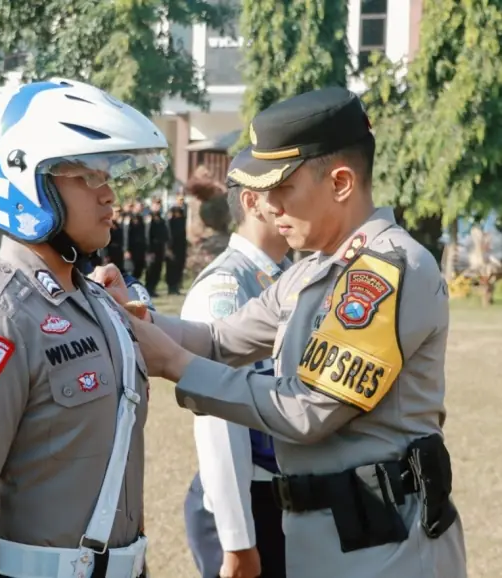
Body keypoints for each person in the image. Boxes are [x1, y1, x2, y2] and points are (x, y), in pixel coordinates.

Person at [95, 87, 467, 578]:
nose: (266, 207)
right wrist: (137, 317)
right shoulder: (314, 269)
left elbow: (308, 409)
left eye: (281, 188)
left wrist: (173, 363)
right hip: (328, 538)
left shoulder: (384, 272)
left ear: (340, 182)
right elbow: (221, 339)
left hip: (385, 548)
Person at [0, 78, 170, 578]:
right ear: (26, 181)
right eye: (89, 177)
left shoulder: (96, 299)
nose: (109, 196)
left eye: (108, 178)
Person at [182, 171, 290, 578]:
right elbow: (219, 421)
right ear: (251, 202)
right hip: (250, 501)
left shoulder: (289, 273)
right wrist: (238, 537)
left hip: (286, 498)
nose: (297, 200)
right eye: (285, 190)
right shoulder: (225, 288)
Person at [165, 195, 187, 295]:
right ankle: (171, 287)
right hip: (172, 247)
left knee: (179, 266)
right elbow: (168, 234)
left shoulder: (183, 215)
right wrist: (168, 248)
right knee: (171, 267)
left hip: (181, 246)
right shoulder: (171, 217)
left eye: (182, 200)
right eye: (179, 200)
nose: (181, 202)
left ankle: (176, 286)